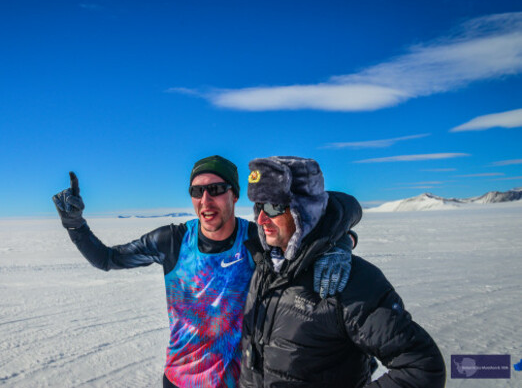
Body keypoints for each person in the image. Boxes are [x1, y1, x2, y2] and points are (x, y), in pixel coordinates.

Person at [53, 155, 356, 388]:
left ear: (235, 195)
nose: (205, 201)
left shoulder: (256, 239)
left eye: (216, 189)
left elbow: (324, 218)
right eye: (197, 191)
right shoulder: (172, 241)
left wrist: (339, 242)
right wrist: (75, 225)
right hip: (179, 381)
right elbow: (107, 259)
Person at [239, 156, 446, 388]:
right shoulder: (265, 266)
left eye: (273, 206)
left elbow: (422, 367)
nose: (261, 218)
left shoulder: (350, 282)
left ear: (304, 210)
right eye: (258, 206)